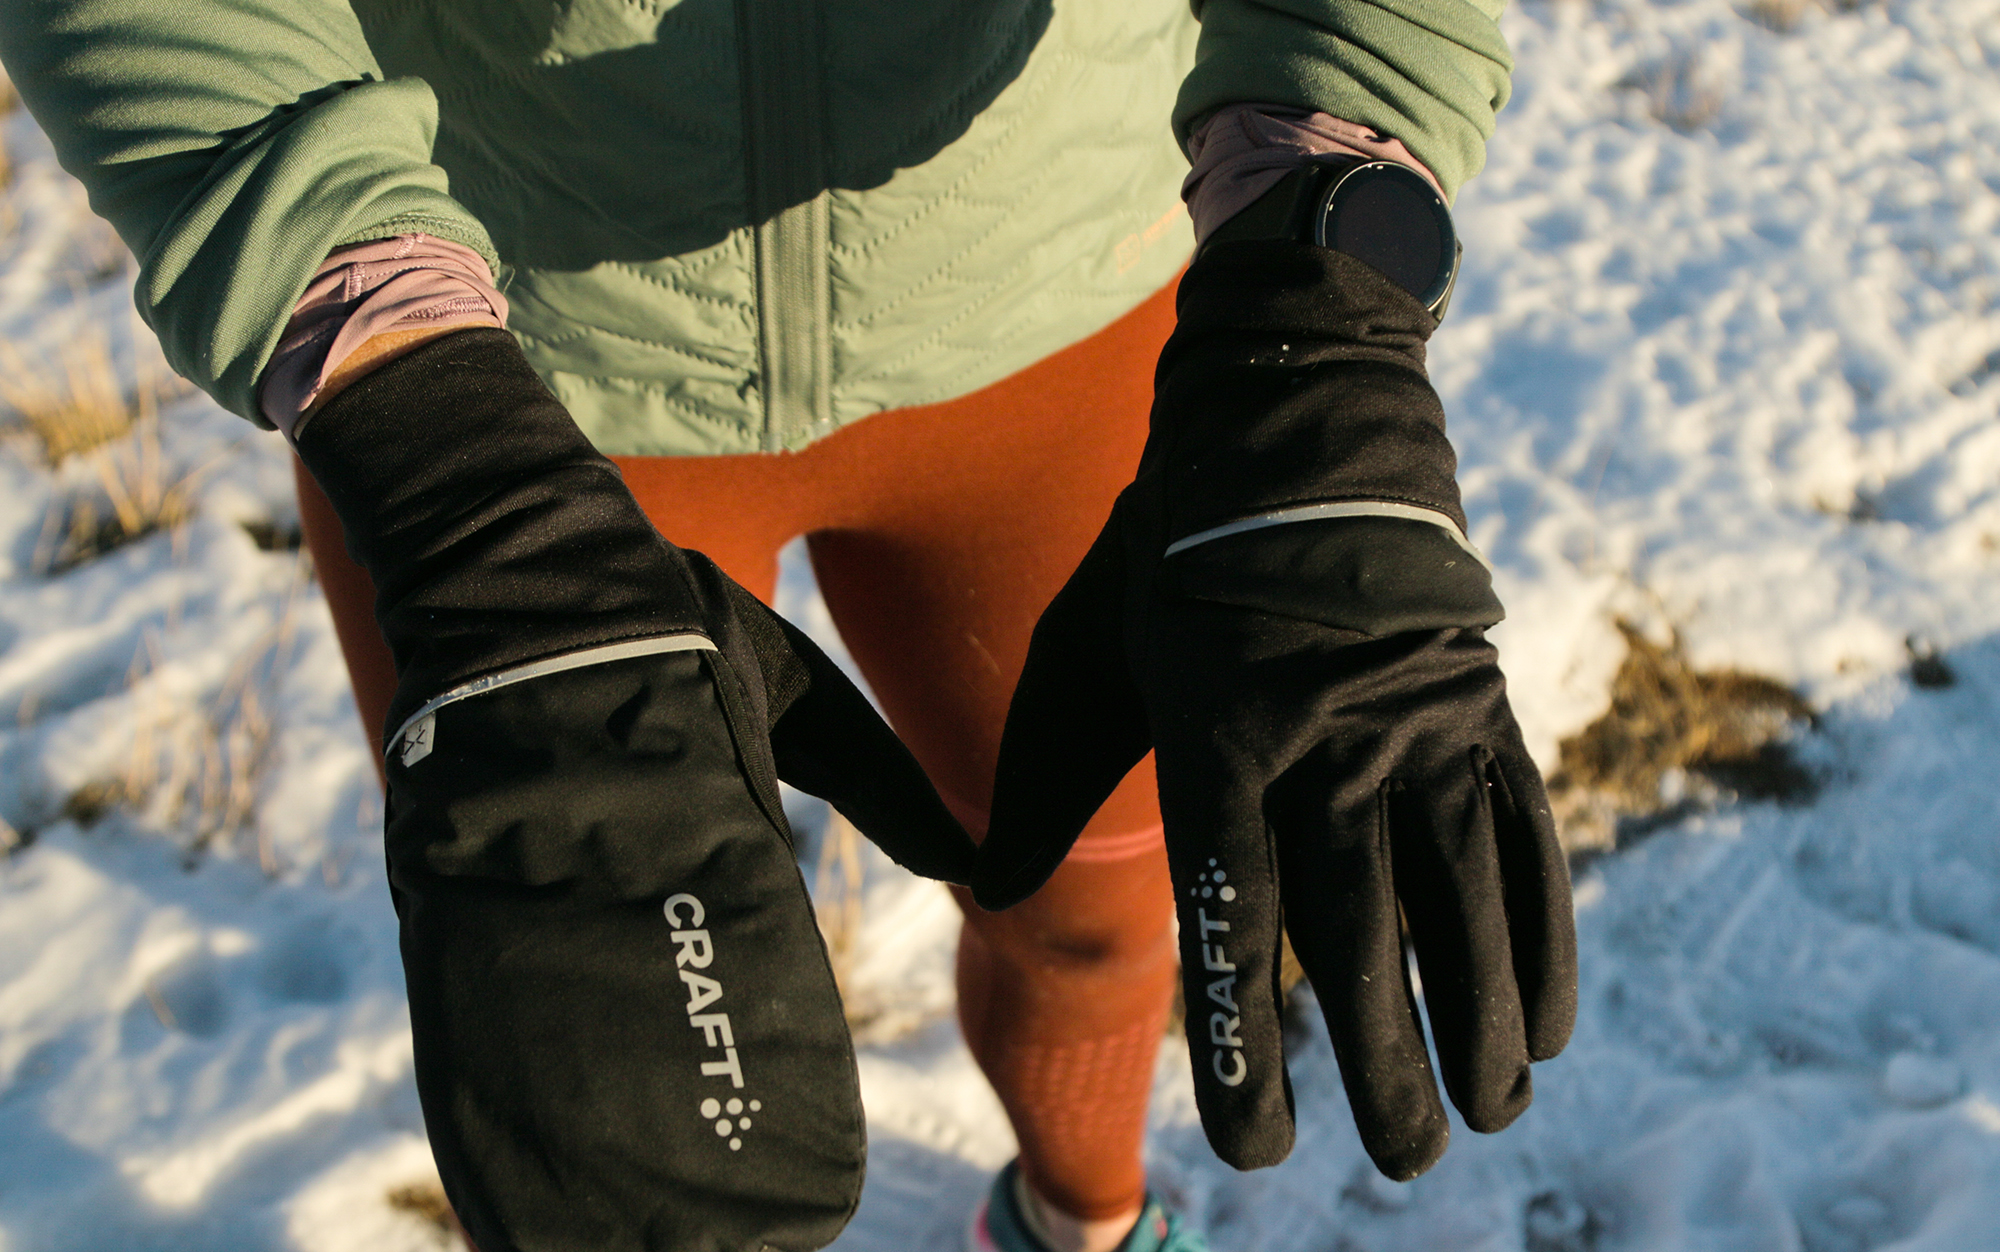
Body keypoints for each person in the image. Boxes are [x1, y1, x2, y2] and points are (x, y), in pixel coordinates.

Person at [0, 3, 1577, 1251]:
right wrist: (414, 407)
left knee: (1101, 914)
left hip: (1050, 303)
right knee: (598, 1066)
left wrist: (1329, 273)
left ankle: (1077, 1227)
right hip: (498, 376)